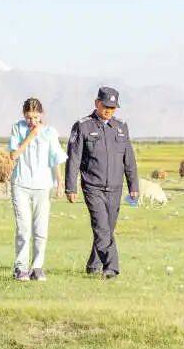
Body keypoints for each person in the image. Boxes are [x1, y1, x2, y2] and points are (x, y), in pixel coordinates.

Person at [65, 87, 139, 279]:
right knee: (101, 227)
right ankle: (111, 267)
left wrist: (133, 186)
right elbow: (73, 158)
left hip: (115, 187)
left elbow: (129, 158)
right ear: (97, 103)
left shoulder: (121, 127)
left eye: (113, 107)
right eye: (106, 106)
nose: (109, 110)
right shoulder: (83, 126)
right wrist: (71, 187)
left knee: (108, 229)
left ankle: (94, 264)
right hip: (93, 186)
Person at [8, 98, 67, 281]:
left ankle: (37, 267)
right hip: (21, 184)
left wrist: (60, 182)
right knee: (23, 227)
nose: (32, 121)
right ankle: (21, 267)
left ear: (41, 114)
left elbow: (55, 158)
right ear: (23, 115)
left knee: (40, 228)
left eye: (35, 117)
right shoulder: (18, 128)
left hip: (43, 185)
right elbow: (14, 154)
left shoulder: (50, 132)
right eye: (28, 117)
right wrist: (31, 135)